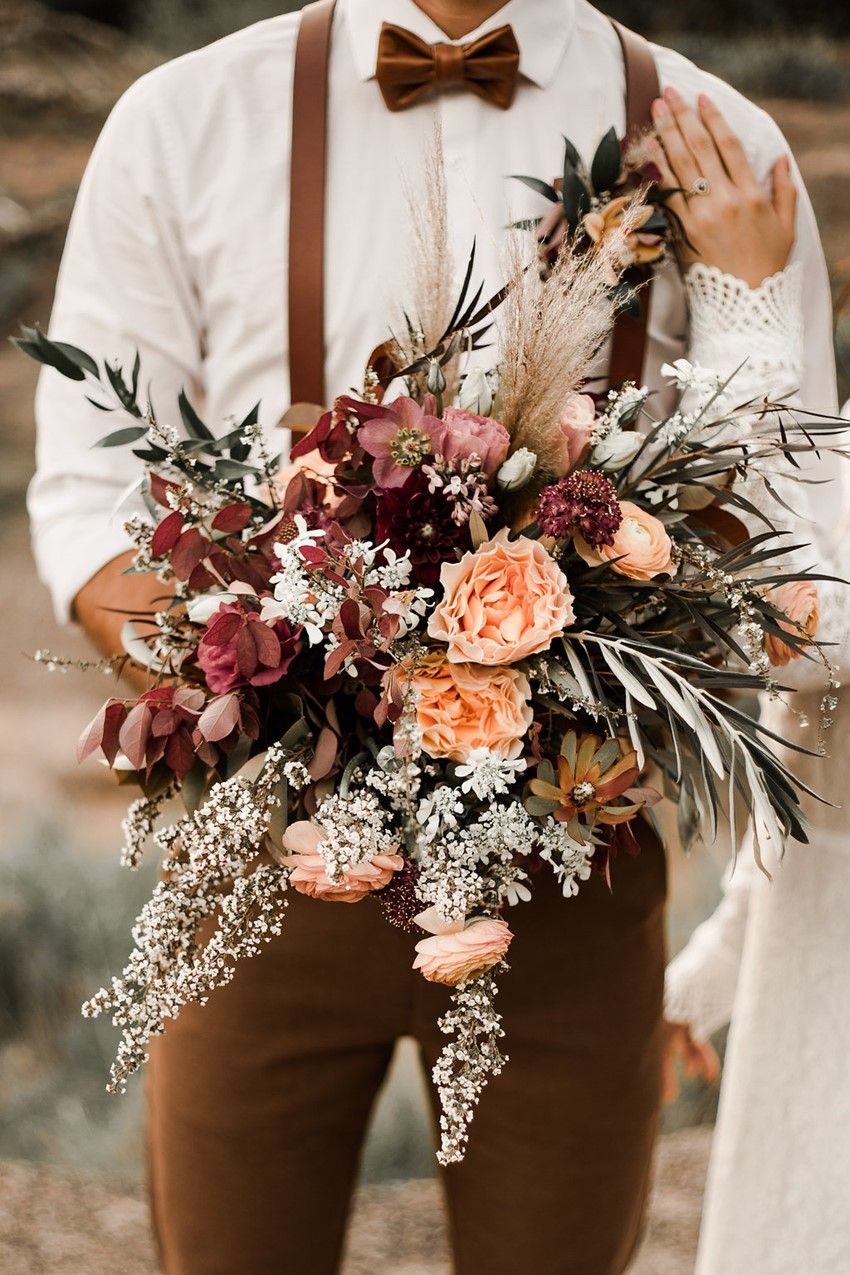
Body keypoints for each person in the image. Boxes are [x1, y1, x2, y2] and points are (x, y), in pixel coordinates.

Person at [28, 1, 837, 1271]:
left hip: (570, 877)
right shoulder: (182, 120)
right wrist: (248, 688)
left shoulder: (721, 147)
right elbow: (84, 485)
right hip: (258, 860)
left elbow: (795, 539)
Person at [658, 110, 850, 1266]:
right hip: (814, 969)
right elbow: (813, 729)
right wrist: (712, 973)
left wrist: (746, 309)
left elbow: (795, 632)